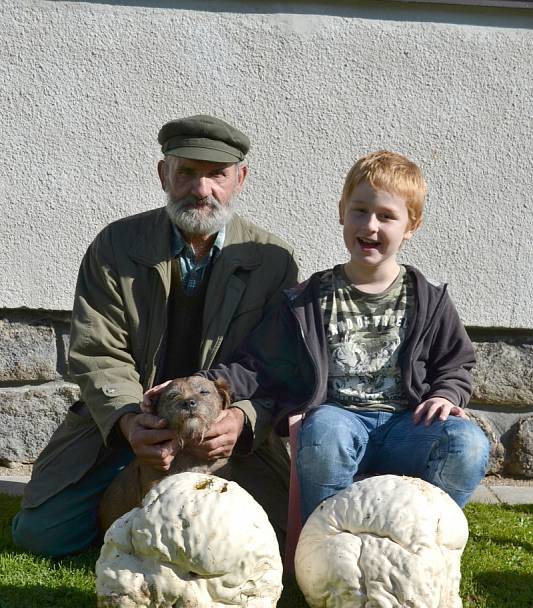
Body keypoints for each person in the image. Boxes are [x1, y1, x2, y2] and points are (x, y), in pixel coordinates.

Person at [12, 114, 298, 556]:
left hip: (227, 439)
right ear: (163, 173)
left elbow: (277, 365)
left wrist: (242, 420)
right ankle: (130, 504)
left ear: (239, 179)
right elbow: (96, 351)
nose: (202, 190)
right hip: (131, 430)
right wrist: (130, 423)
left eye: (216, 175)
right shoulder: (115, 246)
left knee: (276, 540)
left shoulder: (272, 260)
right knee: (42, 535)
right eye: (186, 172)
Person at [191, 150, 489, 522]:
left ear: (411, 225)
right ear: (341, 212)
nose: (371, 226)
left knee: (469, 444)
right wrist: (203, 383)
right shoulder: (308, 300)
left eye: (387, 216)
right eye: (360, 211)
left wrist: (447, 393)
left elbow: (456, 362)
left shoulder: (429, 299)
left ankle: (425, 536)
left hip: (407, 427)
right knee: (324, 431)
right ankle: (325, 541)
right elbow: (256, 364)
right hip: (339, 422)